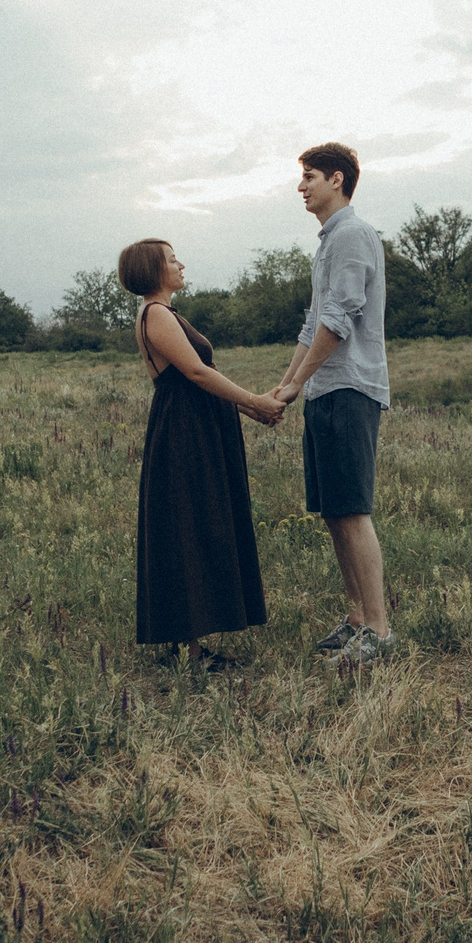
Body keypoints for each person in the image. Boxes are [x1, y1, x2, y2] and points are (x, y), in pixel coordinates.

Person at [262, 142, 394, 664]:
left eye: (310, 177)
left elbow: (340, 318)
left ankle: (379, 635)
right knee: (335, 513)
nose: (302, 187)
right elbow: (312, 323)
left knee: (354, 511)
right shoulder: (328, 242)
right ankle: (357, 619)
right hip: (323, 391)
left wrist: (301, 383)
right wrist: (287, 384)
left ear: (337, 180)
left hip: (349, 388)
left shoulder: (355, 236)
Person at [122, 238, 278, 667]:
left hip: (196, 428)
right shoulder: (155, 313)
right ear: (154, 270)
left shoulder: (166, 313)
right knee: (187, 527)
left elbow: (202, 374)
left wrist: (250, 407)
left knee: (196, 524)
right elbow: (195, 371)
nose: (181, 264)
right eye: (173, 260)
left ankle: (190, 646)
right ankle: (190, 653)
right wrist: (255, 402)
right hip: (183, 434)